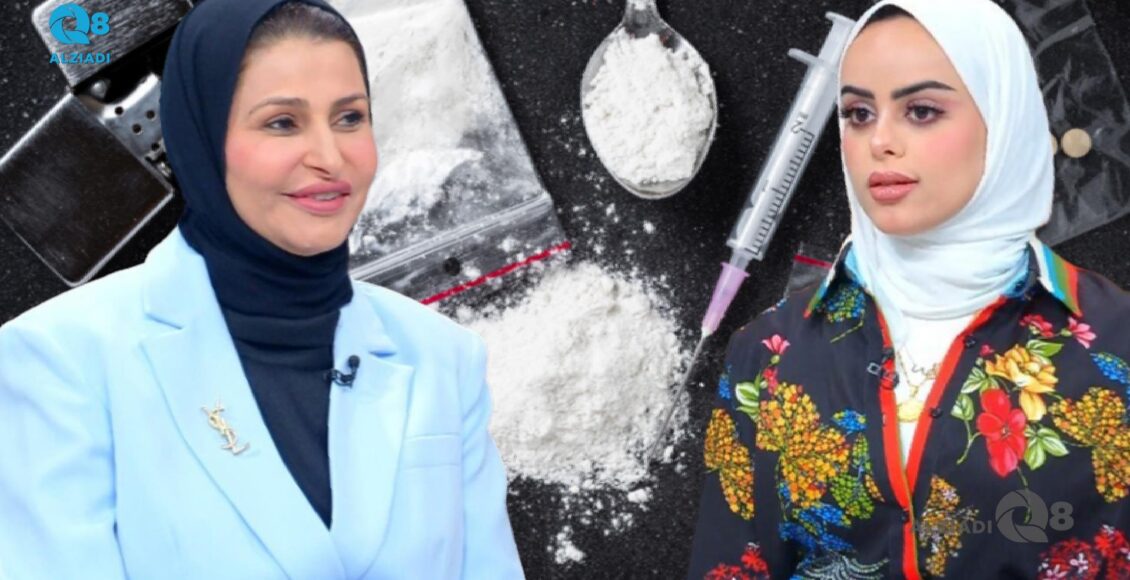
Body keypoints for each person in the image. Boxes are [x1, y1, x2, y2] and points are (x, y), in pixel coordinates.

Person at [0, 1, 524, 578]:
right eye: (282, 123)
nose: (330, 159)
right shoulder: (58, 361)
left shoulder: (444, 357)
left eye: (350, 118)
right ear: (200, 137)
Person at [687, 0, 1130, 578]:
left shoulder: (1118, 347)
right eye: (858, 114)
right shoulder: (767, 356)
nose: (880, 141)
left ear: (1005, 118)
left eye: (921, 111)